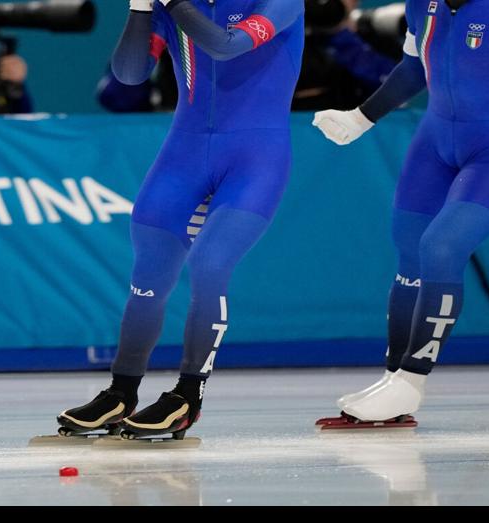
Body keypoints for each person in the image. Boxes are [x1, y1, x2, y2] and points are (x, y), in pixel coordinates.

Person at [310, 0, 489, 426]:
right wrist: (361, 118)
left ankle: (411, 380)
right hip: (435, 141)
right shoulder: (422, 6)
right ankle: (393, 378)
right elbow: (411, 69)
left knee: (441, 247)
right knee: (409, 249)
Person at [55, 0, 304, 442]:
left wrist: (171, 3)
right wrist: (139, 9)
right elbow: (130, 75)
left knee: (209, 264)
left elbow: (226, 47)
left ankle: (188, 395)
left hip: (255, 156)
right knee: (148, 263)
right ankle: (121, 391)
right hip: (184, 151)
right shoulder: (172, 10)